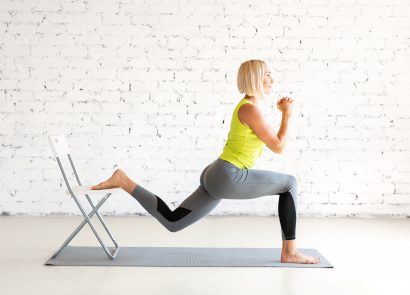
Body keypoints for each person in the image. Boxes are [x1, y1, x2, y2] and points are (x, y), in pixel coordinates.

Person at [91, 59, 320, 264]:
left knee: (173, 222)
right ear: (256, 78)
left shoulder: (249, 107)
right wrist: (287, 114)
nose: (272, 79)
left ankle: (124, 181)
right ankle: (289, 252)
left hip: (218, 173)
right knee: (289, 183)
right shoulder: (250, 109)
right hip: (229, 176)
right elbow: (278, 146)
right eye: (268, 74)